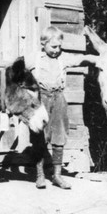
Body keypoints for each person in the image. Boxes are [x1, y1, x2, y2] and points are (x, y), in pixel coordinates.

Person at [26, 26, 94, 189]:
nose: (57, 50)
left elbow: (80, 59)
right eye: (53, 47)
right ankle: (40, 175)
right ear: (43, 44)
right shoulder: (33, 59)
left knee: (59, 135)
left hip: (58, 99)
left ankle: (57, 175)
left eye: (59, 47)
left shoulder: (64, 58)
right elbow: (17, 72)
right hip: (40, 99)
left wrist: (96, 58)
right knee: (39, 136)